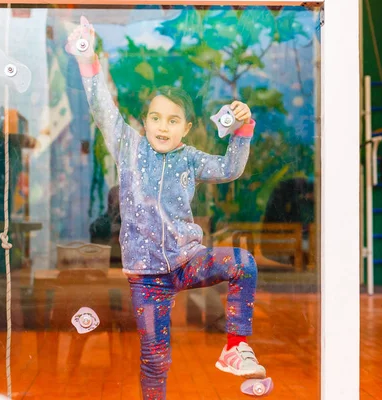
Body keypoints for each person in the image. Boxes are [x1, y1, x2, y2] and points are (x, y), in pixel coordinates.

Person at [66, 16, 265, 400]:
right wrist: (86, 58)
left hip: (188, 260)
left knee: (244, 263)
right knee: (155, 359)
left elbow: (229, 169)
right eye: (155, 118)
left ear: (186, 127)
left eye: (173, 120)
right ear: (144, 122)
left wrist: (242, 130)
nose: (162, 126)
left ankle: (234, 348)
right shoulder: (129, 147)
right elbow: (102, 106)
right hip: (146, 276)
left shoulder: (189, 158)